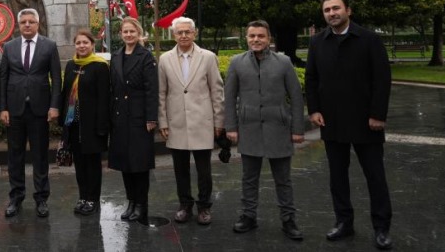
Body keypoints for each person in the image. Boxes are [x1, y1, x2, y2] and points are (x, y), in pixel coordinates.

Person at [305, 0, 393, 250]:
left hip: (366, 122)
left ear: (348, 10)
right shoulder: (318, 42)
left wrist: (378, 114)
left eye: (336, 8)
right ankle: (344, 222)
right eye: (327, 10)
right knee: (337, 177)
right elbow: (311, 79)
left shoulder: (369, 39)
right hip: (331, 121)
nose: (332, 13)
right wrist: (314, 110)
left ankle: (382, 228)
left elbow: (382, 79)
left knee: (375, 176)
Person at [224, 20, 304, 240]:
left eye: (260, 36)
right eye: (252, 36)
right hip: (248, 128)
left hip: (278, 128)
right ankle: (248, 216)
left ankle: (288, 220)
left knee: (283, 179)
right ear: (246, 38)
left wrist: (298, 129)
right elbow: (229, 98)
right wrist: (230, 126)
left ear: (269, 38)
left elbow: (296, 97)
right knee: (249, 178)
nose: (256, 40)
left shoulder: (284, 62)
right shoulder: (237, 62)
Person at [157, 16, 224, 226]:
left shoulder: (208, 57)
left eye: (187, 32)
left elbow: (217, 90)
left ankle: (204, 206)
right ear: (174, 34)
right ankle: (185, 204)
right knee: (180, 168)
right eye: (180, 32)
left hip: (202, 121)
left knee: (204, 169)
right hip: (176, 121)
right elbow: (161, 92)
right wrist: (163, 121)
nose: (184, 35)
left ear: (194, 33)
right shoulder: (165, 59)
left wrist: (218, 121)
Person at [0, 8, 61, 218]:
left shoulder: (49, 46)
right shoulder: (9, 47)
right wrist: (3, 108)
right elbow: (3, 79)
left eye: (31, 21)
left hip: (40, 110)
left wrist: (54, 106)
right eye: (23, 21)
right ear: (18, 24)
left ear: (38, 24)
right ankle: (16, 197)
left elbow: (56, 79)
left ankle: (41, 198)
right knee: (14, 156)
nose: (27, 25)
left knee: (40, 156)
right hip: (14, 110)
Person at [108, 17, 158, 224]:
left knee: (139, 164)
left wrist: (151, 118)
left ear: (139, 34)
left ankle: (141, 204)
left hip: (139, 118)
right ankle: (131, 202)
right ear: (121, 34)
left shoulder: (146, 56)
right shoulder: (117, 55)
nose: (128, 35)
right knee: (125, 164)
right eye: (125, 32)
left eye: (132, 32)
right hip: (120, 118)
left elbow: (152, 90)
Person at [58, 29, 110, 216]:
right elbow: (65, 93)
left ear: (92, 45)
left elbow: (104, 98)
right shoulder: (71, 64)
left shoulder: (100, 66)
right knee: (79, 164)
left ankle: (93, 199)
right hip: (74, 125)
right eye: (78, 43)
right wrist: (62, 121)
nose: (81, 46)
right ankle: (82, 196)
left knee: (93, 165)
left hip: (93, 126)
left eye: (85, 43)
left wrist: (102, 126)